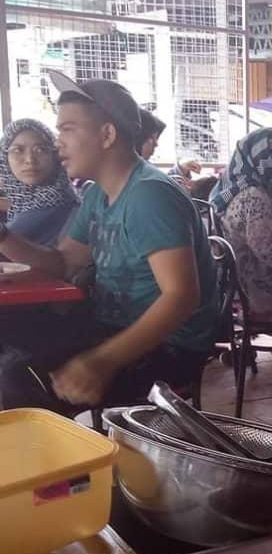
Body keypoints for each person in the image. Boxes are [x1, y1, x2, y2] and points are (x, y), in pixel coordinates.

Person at [0, 75, 216, 411]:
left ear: (107, 135)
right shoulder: (99, 193)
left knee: (17, 378)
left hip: (170, 348)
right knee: (8, 330)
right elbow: (64, 261)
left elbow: (182, 297)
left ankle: (77, 459)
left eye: (68, 129)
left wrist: (101, 361)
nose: (59, 143)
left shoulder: (149, 195)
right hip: (110, 326)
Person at [210, 129, 272, 322]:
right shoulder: (254, 196)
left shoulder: (235, 187)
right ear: (268, 159)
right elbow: (267, 251)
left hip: (238, 286)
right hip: (259, 292)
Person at [0, 118, 79, 246]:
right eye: (17, 150)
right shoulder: (23, 203)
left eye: (40, 149)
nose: (30, 160)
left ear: (54, 156)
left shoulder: (57, 206)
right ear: (5, 159)